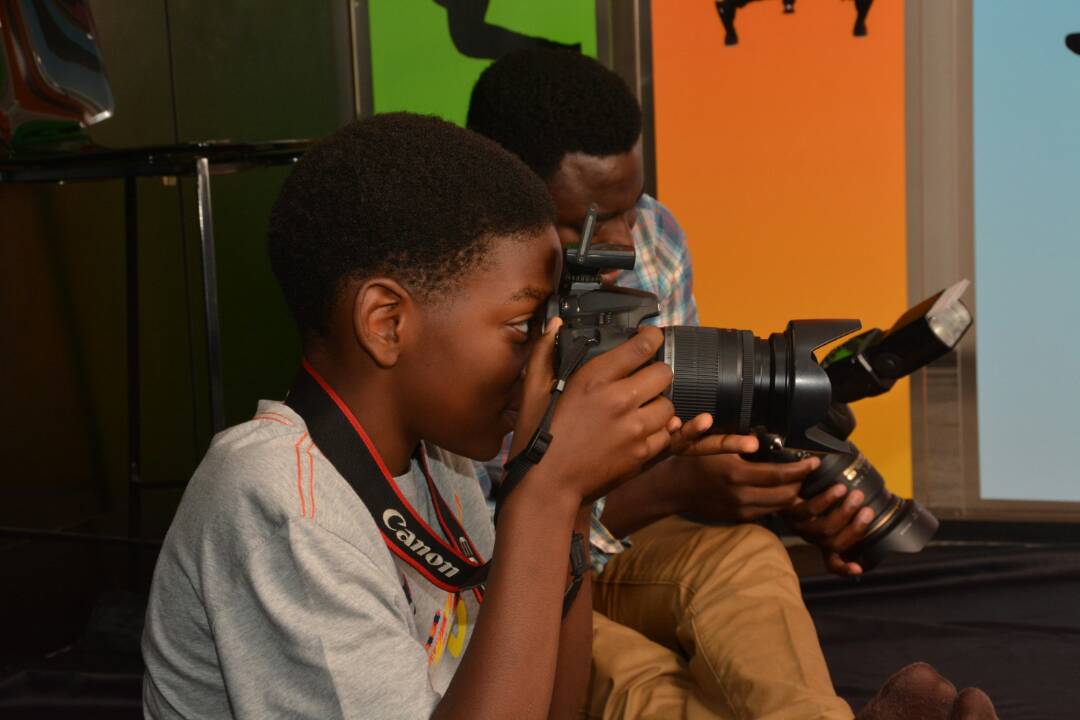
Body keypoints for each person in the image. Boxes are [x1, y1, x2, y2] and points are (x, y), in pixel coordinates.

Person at [467, 48, 998, 720]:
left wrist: (771, 493)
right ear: (501, 203)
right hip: (501, 582)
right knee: (638, 678)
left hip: (622, 541)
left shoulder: (656, 238)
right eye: (589, 224)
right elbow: (475, 541)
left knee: (748, 556)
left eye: (632, 205)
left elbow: (677, 426)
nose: (627, 242)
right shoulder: (458, 308)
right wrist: (669, 490)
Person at [141, 112, 688, 718]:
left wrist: (572, 507)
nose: (546, 357)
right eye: (522, 325)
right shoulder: (279, 502)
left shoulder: (439, 464)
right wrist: (545, 496)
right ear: (387, 323)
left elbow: (555, 709)